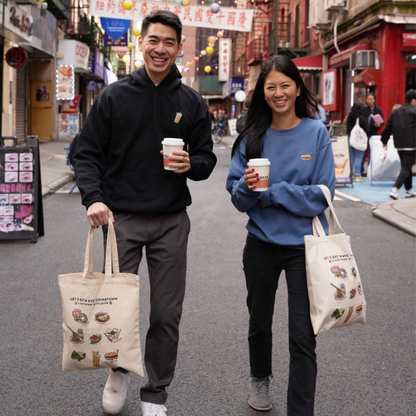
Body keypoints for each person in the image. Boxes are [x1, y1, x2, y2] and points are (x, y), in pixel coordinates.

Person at [73, 10, 217, 416]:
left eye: (169, 42)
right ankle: (119, 371)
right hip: (122, 219)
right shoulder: (114, 97)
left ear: (177, 48)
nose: (160, 49)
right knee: (117, 305)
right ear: (142, 43)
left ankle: (155, 391)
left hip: (172, 220)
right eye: (154, 40)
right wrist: (94, 198)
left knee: (167, 312)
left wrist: (192, 164)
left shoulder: (190, 101)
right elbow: (85, 154)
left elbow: (206, 159)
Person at [226, 55, 335, 415]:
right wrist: (247, 186)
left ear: (298, 87)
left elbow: (322, 196)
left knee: (303, 336)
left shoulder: (316, 133)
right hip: (260, 245)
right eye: (270, 87)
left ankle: (300, 410)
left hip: (306, 249)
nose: (278, 93)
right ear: (263, 93)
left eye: (285, 85)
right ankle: (260, 377)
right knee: (259, 322)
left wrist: (271, 193)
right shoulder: (252, 137)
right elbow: (239, 200)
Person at [380, 89, 416, 200]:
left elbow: (388, 126)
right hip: (412, 144)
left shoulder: (395, 111)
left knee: (406, 166)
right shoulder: (414, 111)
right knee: (406, 167)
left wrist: (384, 140)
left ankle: (408, 190)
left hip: (399, 144)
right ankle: (395, 189)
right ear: (413, 100)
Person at [361, 93, 384, 174]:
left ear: (374, 100)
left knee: (372, 152)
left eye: (371, 99)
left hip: (373, 133)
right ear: (366, 100)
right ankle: (361, 170)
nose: (370, 101)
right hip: (363, 133)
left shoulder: (378, 110)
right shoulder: (363, 109)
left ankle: (370, 170)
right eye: (368, 99)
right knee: (362, 151)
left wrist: (378, 125)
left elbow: (382, 122)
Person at [346, 101, 369, 182]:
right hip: (358, 141)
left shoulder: (349, 117)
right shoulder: (361, 118)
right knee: (358, 157)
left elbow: (347, 128)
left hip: (350, 139)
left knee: (351, 156)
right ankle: (357, 175)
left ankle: (350, 174)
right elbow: (366, 129)